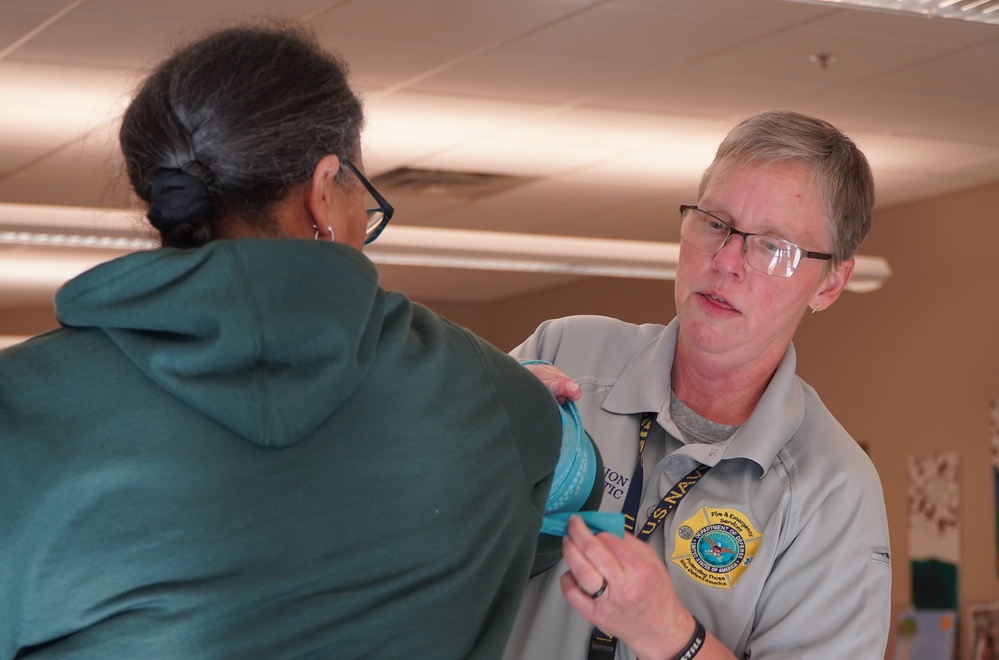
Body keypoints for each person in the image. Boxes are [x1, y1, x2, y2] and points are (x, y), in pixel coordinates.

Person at [0, 24, 601, 659]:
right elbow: (571, 499)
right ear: (322, 193)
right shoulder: (497, 404)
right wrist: (512, 404)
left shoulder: (19, 406)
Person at [502, 110, 892, 659]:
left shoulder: (831, 490)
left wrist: (671, 637)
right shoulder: (564, 353)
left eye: (772, 247)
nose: (727, 261)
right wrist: (470, 440)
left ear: (830, 284)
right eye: (715, 223)